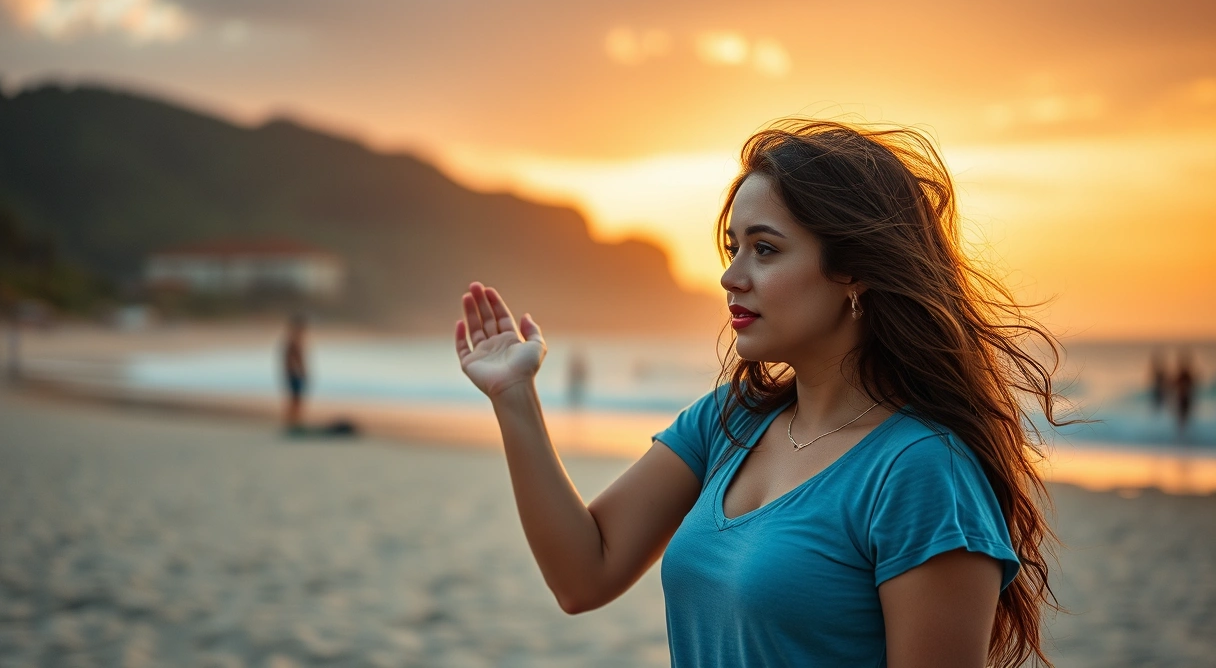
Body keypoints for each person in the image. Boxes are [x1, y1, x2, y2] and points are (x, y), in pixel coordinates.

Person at [454, 119, 1064, 668]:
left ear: (854, 270)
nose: (730, 276)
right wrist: (514, 396)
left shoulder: (923, 472)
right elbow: (583, 575)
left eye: (764, 250)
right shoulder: (727, 422)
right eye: (733, 248)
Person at [282, 313, 308, 431]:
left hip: (293, 373)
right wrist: (301, 371)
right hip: (294, 373)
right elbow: (294, 359)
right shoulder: (293, 341)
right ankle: (293, 423)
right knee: (296, 399)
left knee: (296, 399)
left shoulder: (293, 340)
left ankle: (293, 422)